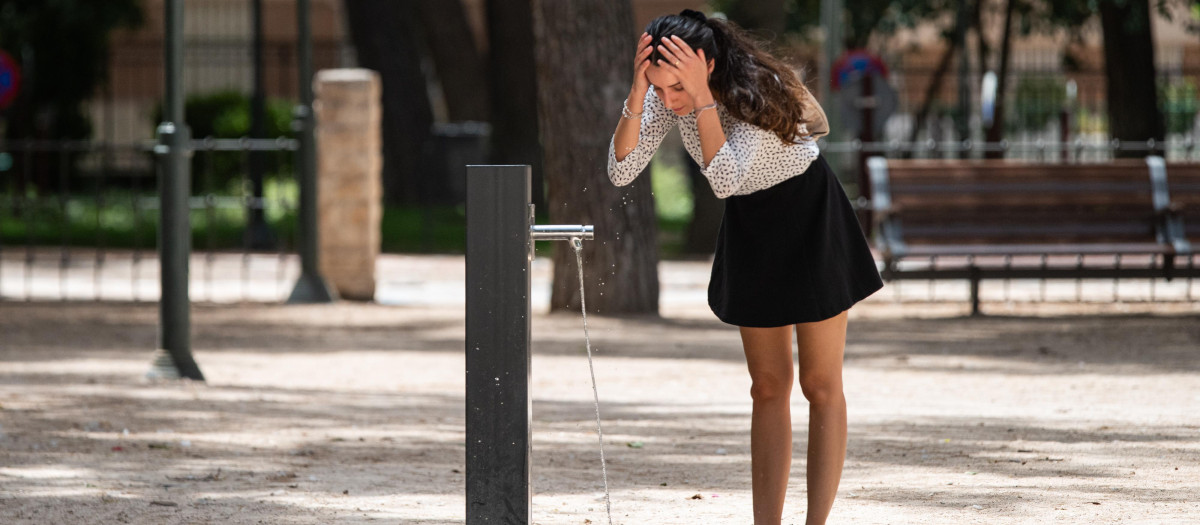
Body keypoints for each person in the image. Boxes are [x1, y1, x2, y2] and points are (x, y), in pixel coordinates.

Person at [606, 9, 884, 525]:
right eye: (660, 88)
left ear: (707, 65)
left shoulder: (761, 87)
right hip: (754, 226)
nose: (670, 101)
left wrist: (703, 100)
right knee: (768, 386)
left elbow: (725, 179)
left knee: (820, 385)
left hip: (807, 216)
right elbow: (621, 169)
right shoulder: (671, 98)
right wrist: (638, 92)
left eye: (676, 88)